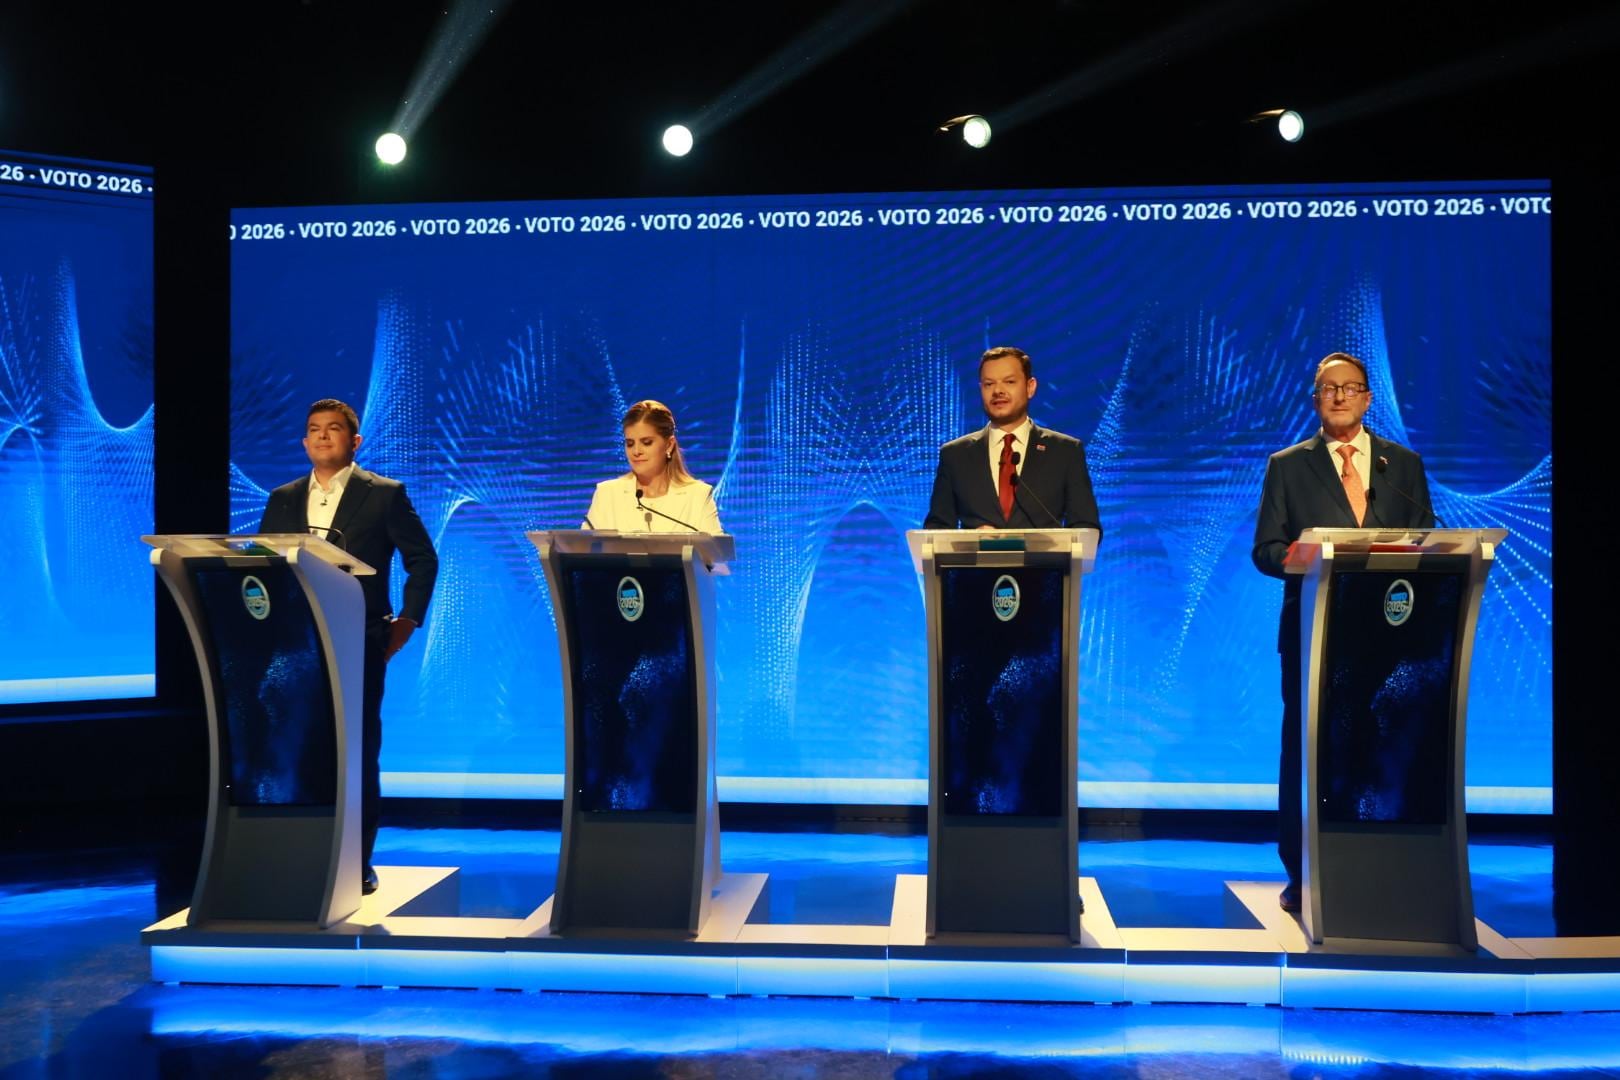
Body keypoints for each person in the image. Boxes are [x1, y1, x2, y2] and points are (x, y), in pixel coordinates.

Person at [1251, 352, 1435, 913]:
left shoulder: (1402, 466)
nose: (1337, 397)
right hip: (1313, 632)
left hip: (1388, 633)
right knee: (1307, 750)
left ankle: (1381, 864)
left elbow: (1425, 539)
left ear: (1367, 398)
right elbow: (1265, 550)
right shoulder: (1288, 465)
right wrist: (1306, 556)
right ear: (1315, 399)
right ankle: (1303, 872)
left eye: (1348, 388)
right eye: (1327, 389)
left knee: (1379, 745)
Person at [259, 398, 439, 896]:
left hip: (361, 638)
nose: (321, 437)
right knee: (299, 748)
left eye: (333, 430)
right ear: (304, 441)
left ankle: (355, 860)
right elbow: (266, 571)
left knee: (356, 749)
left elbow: (422, 559)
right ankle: (302, 855)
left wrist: (407, 622)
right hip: (297, 646)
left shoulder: (383, 495)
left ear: (354, 441)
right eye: (313, 430)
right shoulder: (282, 499)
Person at [924, 346, 1101, 533]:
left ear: (1030, 387)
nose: (998, 391)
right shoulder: (955, 455)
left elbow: (1086, 528)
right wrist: (969, 541)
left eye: (1009, 382)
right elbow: (937, 529)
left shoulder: (1065, 452)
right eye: (989, 384)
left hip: (1044, 563)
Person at [583, 400, 723, 533]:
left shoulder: (697, 496)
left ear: (669, 444)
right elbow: (580, 552)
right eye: (630, 443)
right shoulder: (607, 494)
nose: (636, 451)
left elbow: (717, 555)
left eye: (647, 442)